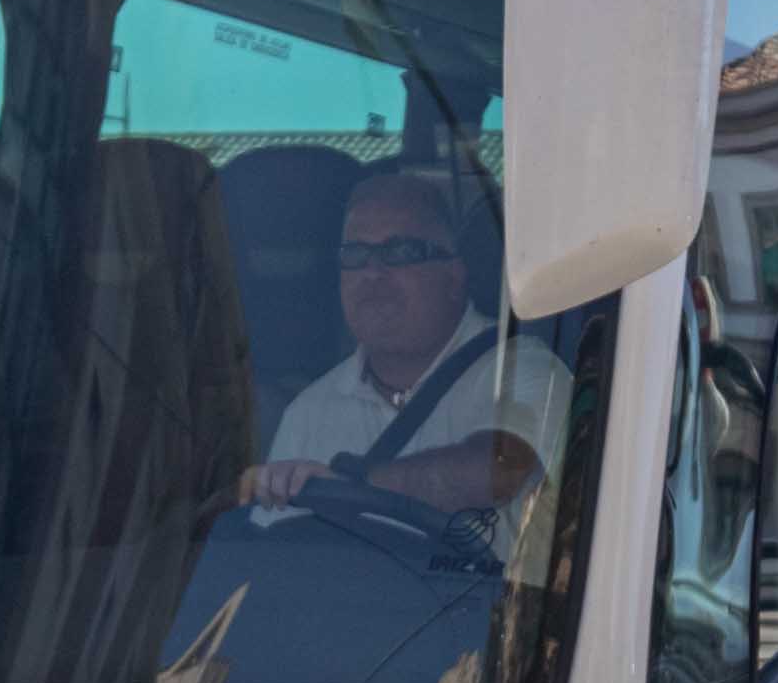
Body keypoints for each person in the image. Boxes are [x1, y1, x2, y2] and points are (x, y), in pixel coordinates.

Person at [240, 162, 572, 536]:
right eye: (355, 254)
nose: (372, 273)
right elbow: (284, 563)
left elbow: (499, 469)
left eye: (401, 251)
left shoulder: (524, 369)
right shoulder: (308, 413)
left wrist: (349, 484)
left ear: (454, 275)